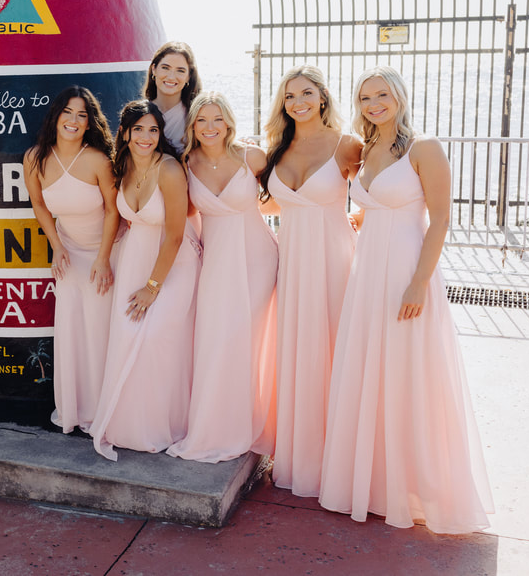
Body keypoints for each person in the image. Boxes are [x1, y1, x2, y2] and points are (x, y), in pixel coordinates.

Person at [319, 65, 493, 533]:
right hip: (366, 272)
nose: (373, 104)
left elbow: (439, 221)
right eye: (364, 98)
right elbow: (368, 207)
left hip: (406, 273)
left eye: (381, 94)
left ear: (398, 95)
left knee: (408, 372)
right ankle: (374, 483)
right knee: (369, 370)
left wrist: (419, 282)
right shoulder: (364, 148)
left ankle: (416, 486)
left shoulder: (425, 148)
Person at [258, 65, 361, 496]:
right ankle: (300, 453)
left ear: (322, 97)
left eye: (305, 94)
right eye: (288, 96)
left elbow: (383, 189)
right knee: (298, 352)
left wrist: (362, 218)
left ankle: (341, 457)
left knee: (337, 351)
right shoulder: (275, 150)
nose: (297, 102)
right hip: (293, 263)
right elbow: (269, 207)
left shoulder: (347, 145)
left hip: (335, 262)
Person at [166, 92, 278, 463]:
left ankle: (246, 422)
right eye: (202, 121)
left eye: (217, 120)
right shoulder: (187, 162)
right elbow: (185, 212)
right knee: (216, 339)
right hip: (214, 262)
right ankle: (214, 425)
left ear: (229, 122)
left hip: (258, 258)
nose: (210, 127)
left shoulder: (252, 156)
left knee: (246, 339)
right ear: (193, 126)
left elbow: (283, 196)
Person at [89, 101, 200, 461]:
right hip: (134, 258)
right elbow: (115, 215)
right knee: (126, 337)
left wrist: (153, 287)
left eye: (153, 130)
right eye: (139, 129)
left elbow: (174, 236)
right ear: (125, 132)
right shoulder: (120, 168)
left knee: (156, 338)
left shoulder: (169, 169)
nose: (146, 137)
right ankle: (128, 426)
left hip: (173, 263)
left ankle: (163, 426)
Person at [23, 87, 119, 434]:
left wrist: (104, 258)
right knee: (71, 329)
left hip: (104, 251)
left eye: (82, 115)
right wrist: (57, 246)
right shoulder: (35, 158)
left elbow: (113, 210)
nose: (74, 121)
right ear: (56, 116)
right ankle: (74, 410)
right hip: (67, 250)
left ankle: (103, 409)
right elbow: (39, 205)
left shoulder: (97, 159)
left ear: (90, 122)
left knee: (99, 330)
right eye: (68, 112)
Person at [143, 42, 202, 154]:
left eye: (180, 71)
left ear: (188, 77)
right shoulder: (138, 114)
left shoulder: (197, 115)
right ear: (154, 69)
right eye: (165, 68)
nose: (171, 77)